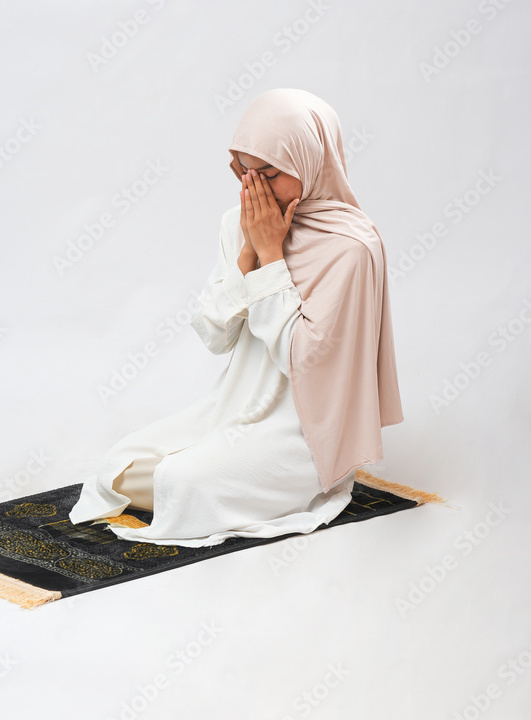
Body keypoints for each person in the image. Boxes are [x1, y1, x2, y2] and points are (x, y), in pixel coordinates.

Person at [68, 88, 404, 547]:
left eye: (269, 173)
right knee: (117, 469)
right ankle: (219, 475)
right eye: (244, 171)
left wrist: (272, 255)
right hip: (229, 413)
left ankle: (278, 484)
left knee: (183, 482)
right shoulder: (238, 223)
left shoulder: (351, 247)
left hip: (302, 435)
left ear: (311, 160)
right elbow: (214, 335)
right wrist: (249, 250)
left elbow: (306, 363)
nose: (254, 187)